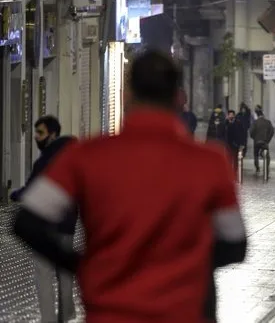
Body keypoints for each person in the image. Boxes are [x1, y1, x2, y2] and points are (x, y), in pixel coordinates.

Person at [13, 50, 247, 323]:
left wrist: (81, 265)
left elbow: (26, 223)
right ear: (177, 99)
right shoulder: (210, 162)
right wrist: (188, 267)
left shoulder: (86, 156)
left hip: (109, 313)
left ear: (126, 95)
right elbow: (235, 245)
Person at [11, 116, 77, 323]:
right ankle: (66, 314)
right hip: (67, 224)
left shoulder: (44, 162)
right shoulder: (73, 157)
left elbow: (31, 190)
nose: (37, 137)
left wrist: (16, 195)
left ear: (53, 134)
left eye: (40, 133)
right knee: (64, 272)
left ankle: (48, 319)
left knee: (43, 272)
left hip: (44, 225)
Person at [250, 107, 275, 173]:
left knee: (256, 154)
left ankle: (257, 167)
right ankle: (266, 166)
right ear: (263, 115)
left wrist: (254, 138)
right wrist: (267, 139)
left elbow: (251, 132)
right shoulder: (267, 122)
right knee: (267, 155)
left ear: (257, 115)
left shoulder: (255, 122)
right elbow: (272, 131)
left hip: (256, 141)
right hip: (265, 141)